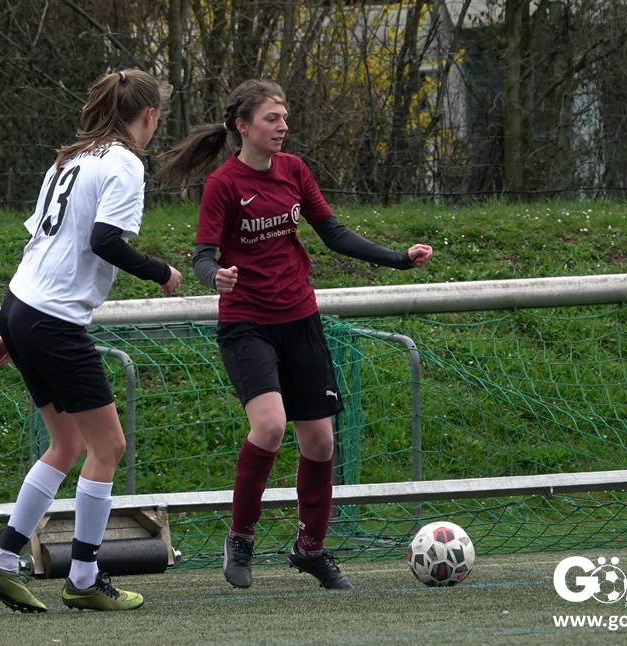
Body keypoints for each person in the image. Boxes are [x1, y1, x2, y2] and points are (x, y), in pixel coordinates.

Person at [156, 79, 432, 590]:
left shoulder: (294, 170)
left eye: (284, 118)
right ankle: (241, 537)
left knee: (321, 442)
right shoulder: (223, 183)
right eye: (272, 119)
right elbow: (202, 255)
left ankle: (311, 549)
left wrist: (399, 259)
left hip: (299, 318)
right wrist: (214, 276)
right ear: (243, 126)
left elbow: (334, 233)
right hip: (246, 324)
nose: (283, 126)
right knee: (269, 427)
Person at [0, 69, 181, 613]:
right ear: (150, 115)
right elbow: (104, 241)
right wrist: (161, 271)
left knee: (67, 444)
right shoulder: (124, 162)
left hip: (22, 306)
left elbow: (41, 244)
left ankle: (3, 561)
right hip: (50, 320)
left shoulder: (70, 158)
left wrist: (14, 328)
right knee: (107, 447)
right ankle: (84, 578)